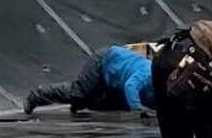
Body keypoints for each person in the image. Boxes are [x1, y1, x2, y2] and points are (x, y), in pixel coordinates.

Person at [23, 44, 155, 118]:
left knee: (118, 104)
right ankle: (36, 96)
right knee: (80, 91)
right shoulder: (148, 72)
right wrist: (139, 110)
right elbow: (130, 86)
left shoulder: (161, 85)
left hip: (114, 78)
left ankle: (82, 102)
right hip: (103, 61)